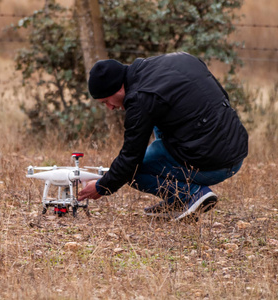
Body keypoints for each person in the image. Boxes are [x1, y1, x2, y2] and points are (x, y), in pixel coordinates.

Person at [77, 52, 248, 220]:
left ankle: (192, 194)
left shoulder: (140, 98)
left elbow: (130, 159)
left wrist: (102, 186)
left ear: (118, 87)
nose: (110, 107)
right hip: (236, 149)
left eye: (106, 101)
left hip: (214, 164)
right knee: (161, 114)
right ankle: (177, 202)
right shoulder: (178, 59)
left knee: (132, 172)